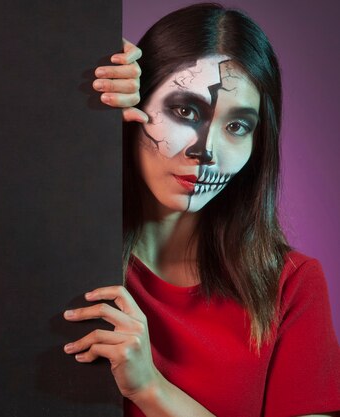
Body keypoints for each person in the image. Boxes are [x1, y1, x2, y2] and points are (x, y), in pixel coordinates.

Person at [62, 3, 340, 417]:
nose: (206, 151)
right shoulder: (62, 257)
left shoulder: (291, 287)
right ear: (135, 108)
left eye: (237, 126)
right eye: (184, 111)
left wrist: (151, 389)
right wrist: (73, 88)